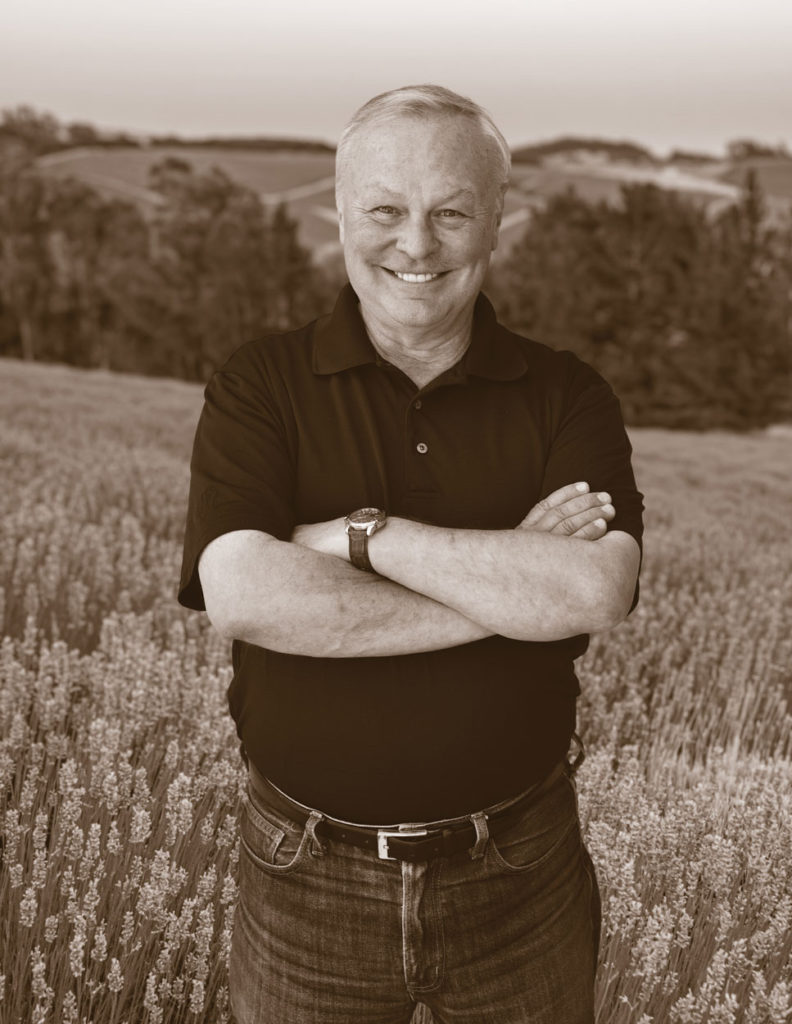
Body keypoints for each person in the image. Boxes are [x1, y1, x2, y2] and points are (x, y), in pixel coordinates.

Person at [179, 84, 643, 1024]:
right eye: (385, 211)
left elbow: (594, 591)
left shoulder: (566, 393)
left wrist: (361, 537)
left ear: (498, 219)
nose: (416, 246)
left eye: (451, 213)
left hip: (522, 875)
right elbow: (243, 595)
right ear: (339, 212)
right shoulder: (260, 383)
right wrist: (510, 589)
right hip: (305, 877)